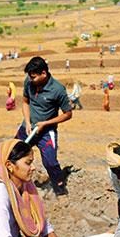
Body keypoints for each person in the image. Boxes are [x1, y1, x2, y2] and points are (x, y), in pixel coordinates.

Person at [16, 57, 73, 197]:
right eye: (29, 76)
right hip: (28, 128)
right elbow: (25, 102)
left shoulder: (58, 90)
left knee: (50, 162)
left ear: (43, 73)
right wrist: (28, 122)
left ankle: (60, 190)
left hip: (46, 132)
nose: (31, 79)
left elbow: (68, 114)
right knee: (14, 154)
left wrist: (46, 124)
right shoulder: (28, 82)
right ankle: (13, 185)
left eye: (34, 77)